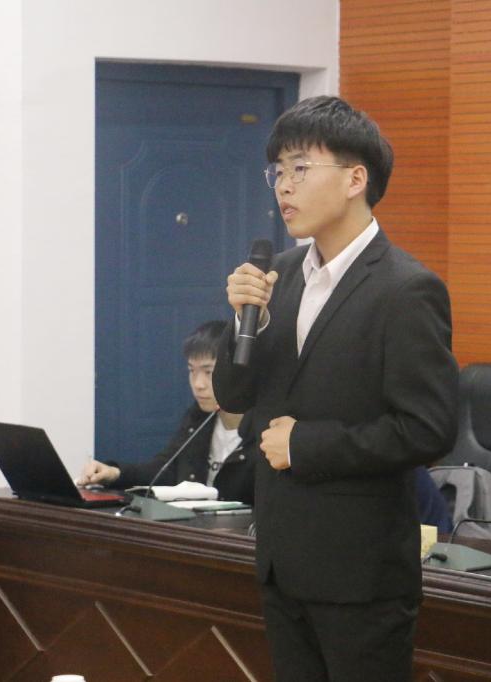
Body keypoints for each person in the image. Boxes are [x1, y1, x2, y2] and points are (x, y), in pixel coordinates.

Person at [214, 96, 459, 681]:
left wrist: (306, 446)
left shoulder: (405, 289)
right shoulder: (278, 277)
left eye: (301, 168)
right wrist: (247, 320)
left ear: (355, 179)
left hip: (360, 574)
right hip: (282, 561)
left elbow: (428, 429)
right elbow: (234, 395)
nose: (284, 185)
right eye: (278, 171)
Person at [78, 320, 255, 504]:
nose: (198, 384)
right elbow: (165, 469)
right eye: (192, 370)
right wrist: (115, 473)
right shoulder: (197, 419)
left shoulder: (262, 429)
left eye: (208, 372)